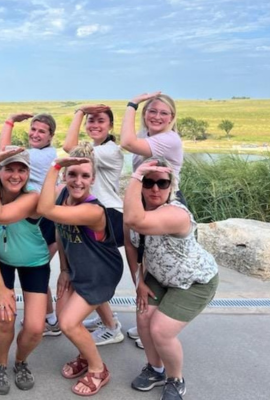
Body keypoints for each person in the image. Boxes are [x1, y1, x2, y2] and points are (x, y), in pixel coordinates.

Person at [124, 158, 219, 400]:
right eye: (149, 182)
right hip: (159, 276)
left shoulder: (176, 214)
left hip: (194, 281)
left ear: (171, 187)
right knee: (144, 318)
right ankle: (155, 369)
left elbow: (135, 222)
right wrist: (139, 282)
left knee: (161, 331)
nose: (155, 189)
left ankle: (175, 379)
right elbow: (131, 245)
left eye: (162, 183)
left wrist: (136, 176)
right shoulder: (135, 211)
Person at [37, 143, 123, 396]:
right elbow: (59, 231)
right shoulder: (64, 194)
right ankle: (85, 355)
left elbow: (45, 210)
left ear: (93, 179)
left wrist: (55, 165)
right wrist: (64, 269)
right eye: (71, 174)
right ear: (65, 176)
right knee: (67, 320)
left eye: (85, 176)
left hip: (100, 274)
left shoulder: (92, 210)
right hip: (77, 270)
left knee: (68, 322)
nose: (77, 181)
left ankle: (98, 369)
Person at [0, 147, 50, 395]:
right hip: (0, 260)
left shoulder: (31, 197)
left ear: (29, 174)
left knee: (35, 328)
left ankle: (20, 360)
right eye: (9, 168)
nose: (16, 175)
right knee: (4, 317)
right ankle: (0, 364)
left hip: (34, 262)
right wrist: (0, 288)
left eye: (22, 170)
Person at [120, 92, 185, 348]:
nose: (156, 116)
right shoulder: (148, 137)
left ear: (172, 118)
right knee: (141, 257)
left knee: (164, 264)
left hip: (164, 204)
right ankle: (146, 318)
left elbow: (126, 141)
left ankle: (161, 327)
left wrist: (132, 104)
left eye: (163, 113)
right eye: (152, 111)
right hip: (144, 203)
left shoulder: (168, 140)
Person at [63, 104, 125, 347]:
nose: (95, 125)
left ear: (110, 126)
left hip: (106, 213)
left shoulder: (110, 150)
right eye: (91, 121)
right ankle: (108, 320)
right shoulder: (98, 149)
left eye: (100, 121)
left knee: (93, 275)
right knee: (91, 274)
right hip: (96, 210)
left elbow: (70, 149)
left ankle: (111, 327)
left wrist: (79, 112)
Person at [0, 113, 60, 336]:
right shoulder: (44, 153)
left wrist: (9, 121)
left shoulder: (43, 156)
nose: (35, 134)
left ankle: (44, 318)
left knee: (34, 268)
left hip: (39, 219)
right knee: (36, 271)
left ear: (51, 136)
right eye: (33, 129)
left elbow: (2, 153)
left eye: (41, 131)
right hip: (37, 216)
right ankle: (50, 318)